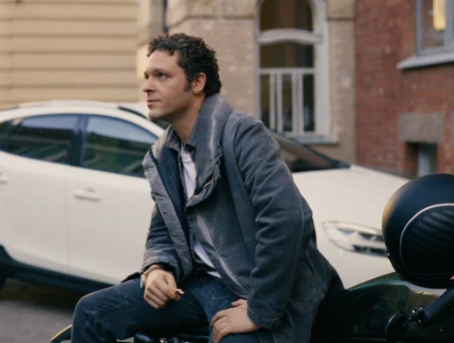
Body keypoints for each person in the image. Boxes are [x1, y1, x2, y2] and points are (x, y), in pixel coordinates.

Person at [72, 33, 341, 343]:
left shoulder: (242, 134)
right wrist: (157, 268)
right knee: (91, 312)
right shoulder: (162, 155)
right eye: (147, 76)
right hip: (196, 284)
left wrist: (259, 309)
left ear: (197, 82)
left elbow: (287, 220)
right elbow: (163, 230)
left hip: (253, 290)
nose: (147, 86)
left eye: (162, 76)